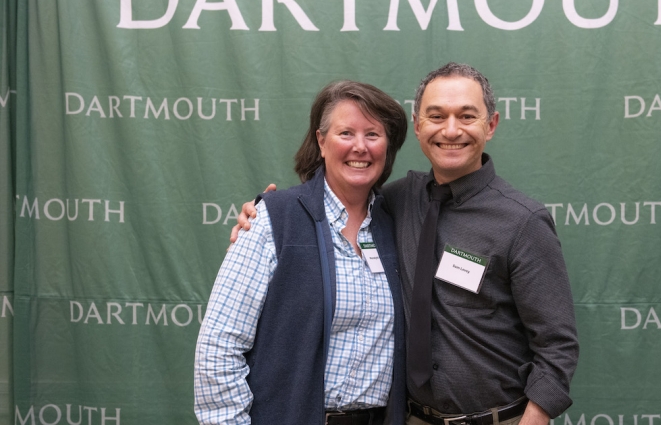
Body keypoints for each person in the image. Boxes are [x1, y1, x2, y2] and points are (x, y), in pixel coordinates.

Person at [233, 63, 578, 425]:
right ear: (417, 126)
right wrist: (261, 219)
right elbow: (331, 203)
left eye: (466, 116)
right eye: (436, 116)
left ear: (490, 125)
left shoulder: (522, 221)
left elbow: (557, 345)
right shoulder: (392, 203)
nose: (451, 130)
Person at [194, 80, 409, 425]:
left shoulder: (398, 224)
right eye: (345, 133)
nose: (360, 147)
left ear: (388, 147)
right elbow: (219, 346)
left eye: (373, 134)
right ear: (321, 141)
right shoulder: (273, 220)